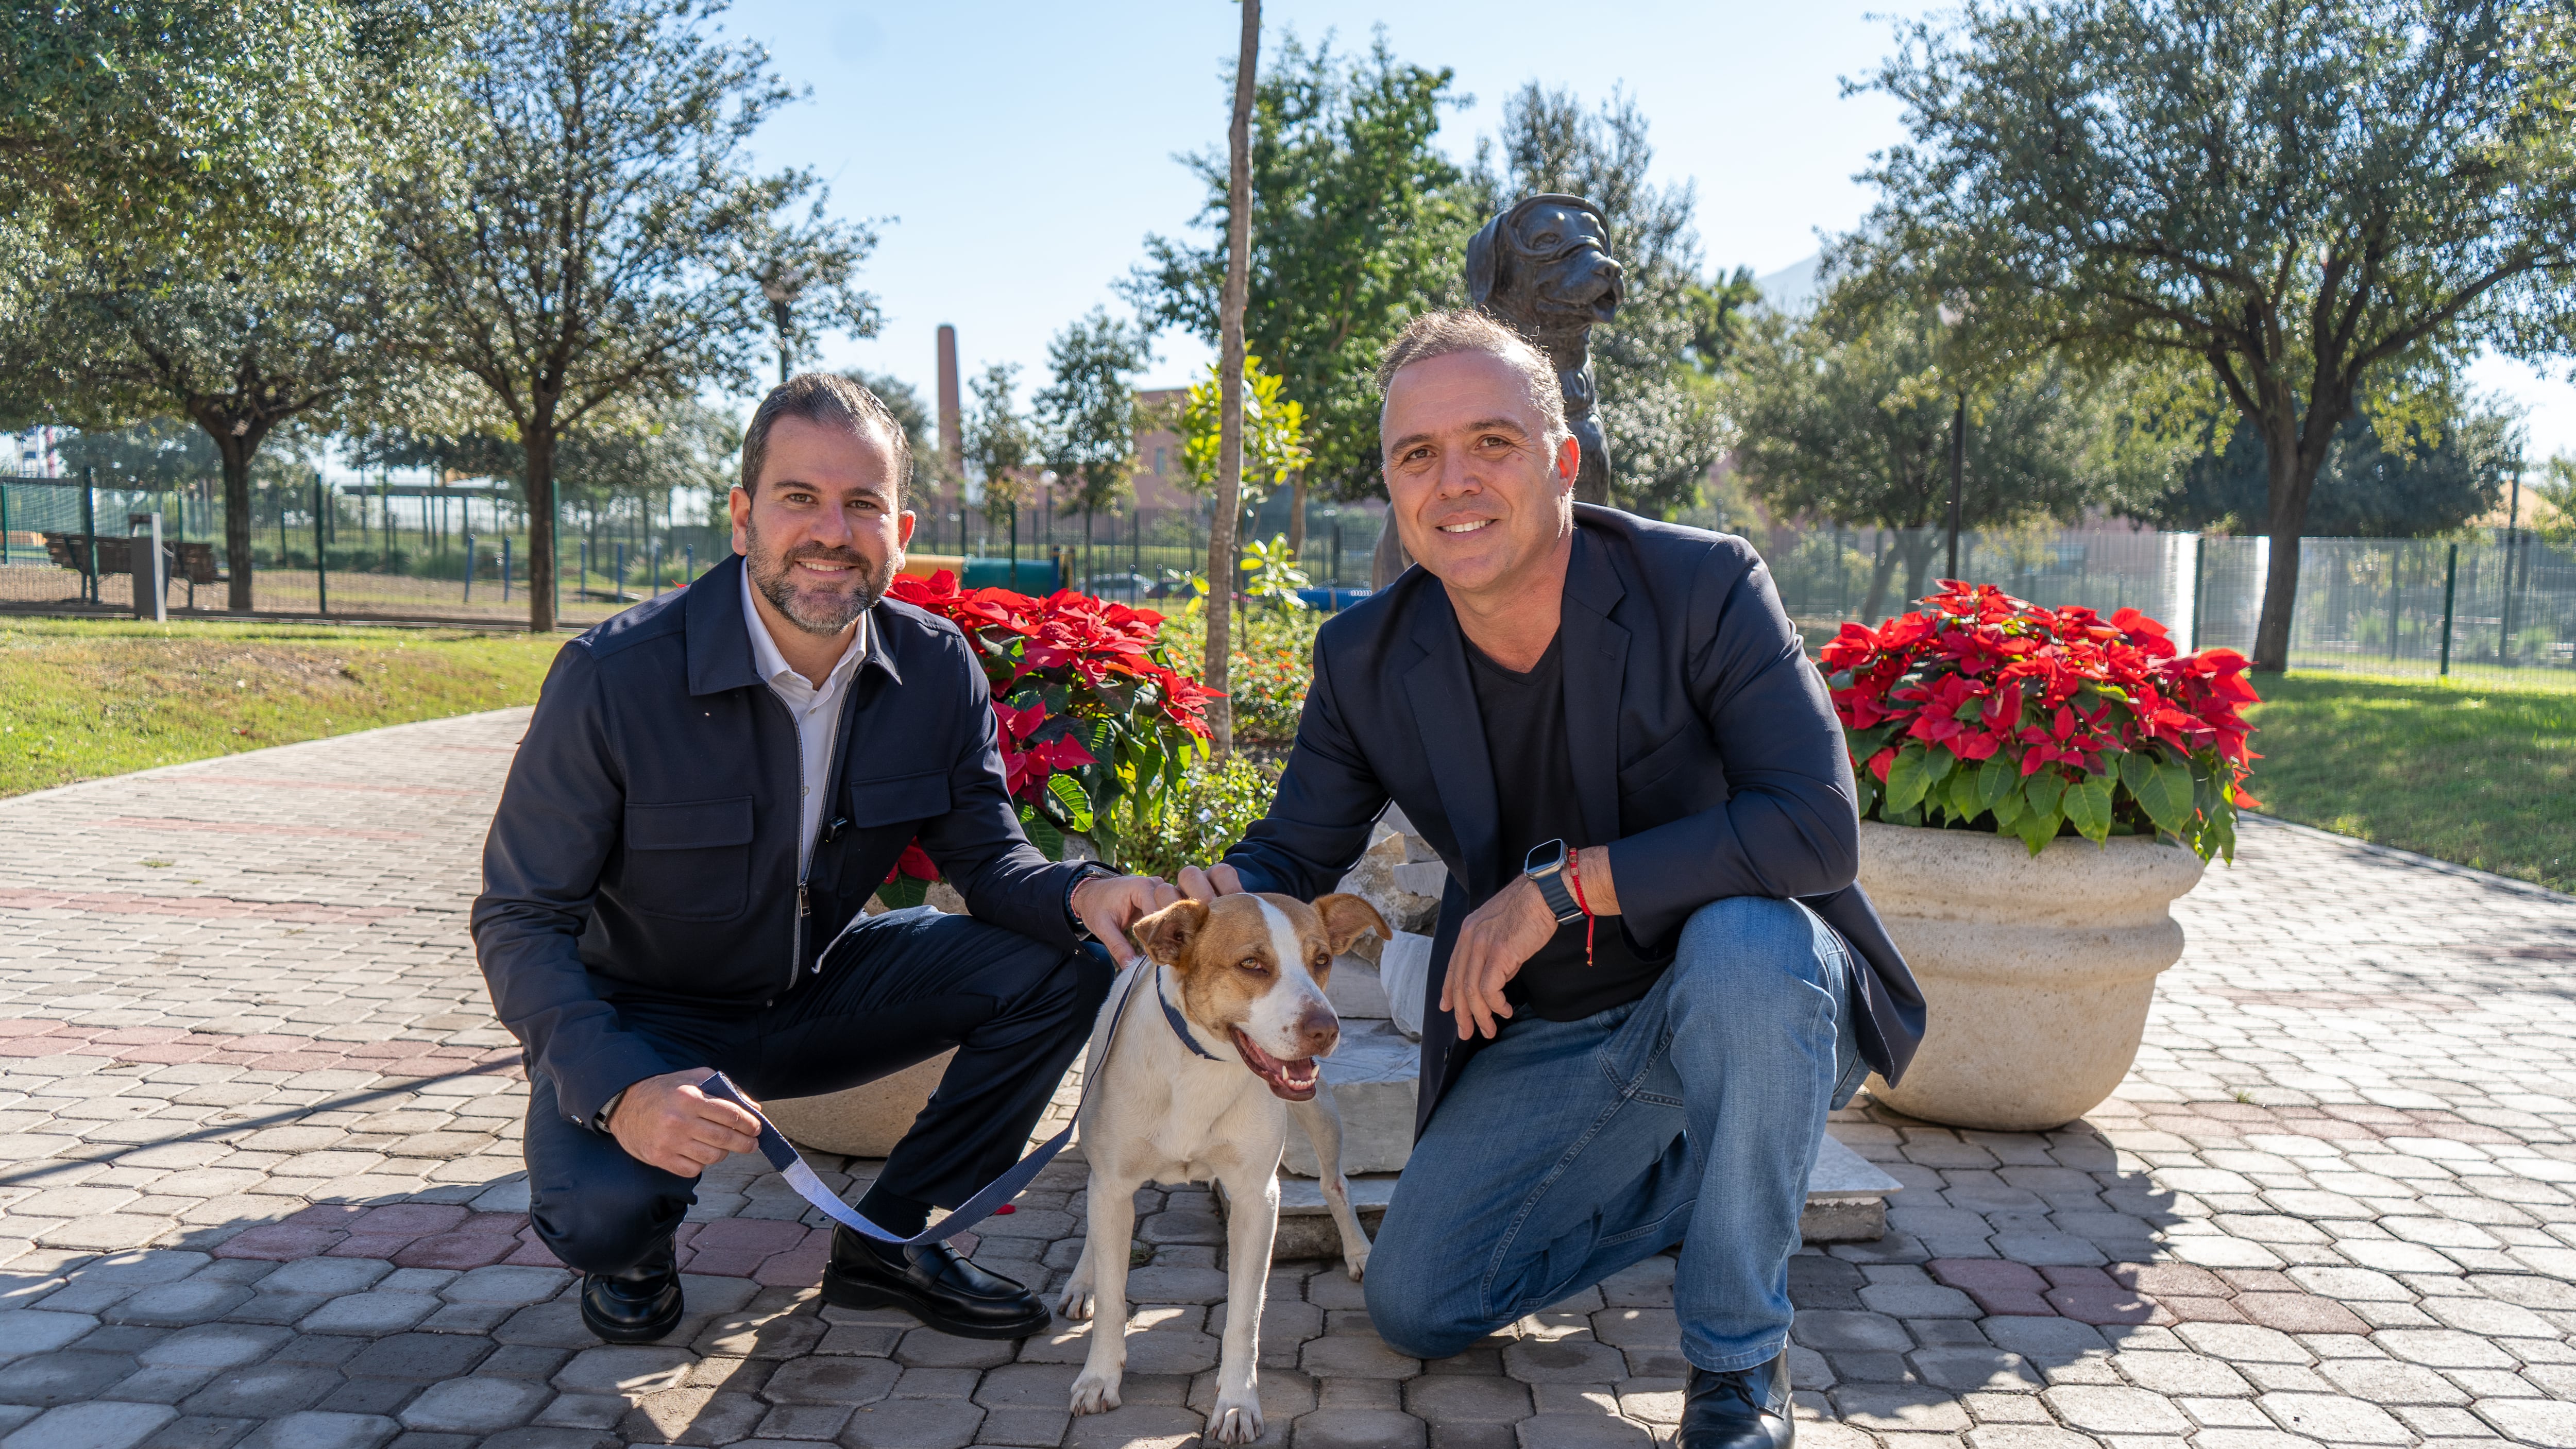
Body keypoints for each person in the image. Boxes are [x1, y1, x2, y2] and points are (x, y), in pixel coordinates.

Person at [1179, 312, 1926, 1449]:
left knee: (1740, 948)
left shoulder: (1706, 585)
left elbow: (1815, 828)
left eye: (1492, 441)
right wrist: (1205, 896)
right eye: (1416, 455)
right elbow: (1294, 854)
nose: (1453, 481)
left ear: (1562, 458)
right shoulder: (1363, 658)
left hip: (1753, 996)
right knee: (1418, 1302)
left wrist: (1565, 888)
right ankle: (1728, 1174)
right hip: (1555, 1027)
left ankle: (1736, 1367)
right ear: (1390, 483)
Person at [473, 373, 1175, 1345]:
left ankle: (891, 1239)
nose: (831, 531)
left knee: (1064, 961)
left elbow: (990, 857)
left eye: (862, 504)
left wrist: (1089, 889)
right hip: (650, 1016)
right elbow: (519, 918)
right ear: (742, 516)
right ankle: (638, 1250)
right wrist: (623, 1088)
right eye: (799, 497)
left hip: (817, 992)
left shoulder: (936, 667)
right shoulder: (613, 678)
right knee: (599, 1216)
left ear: (902, 527)